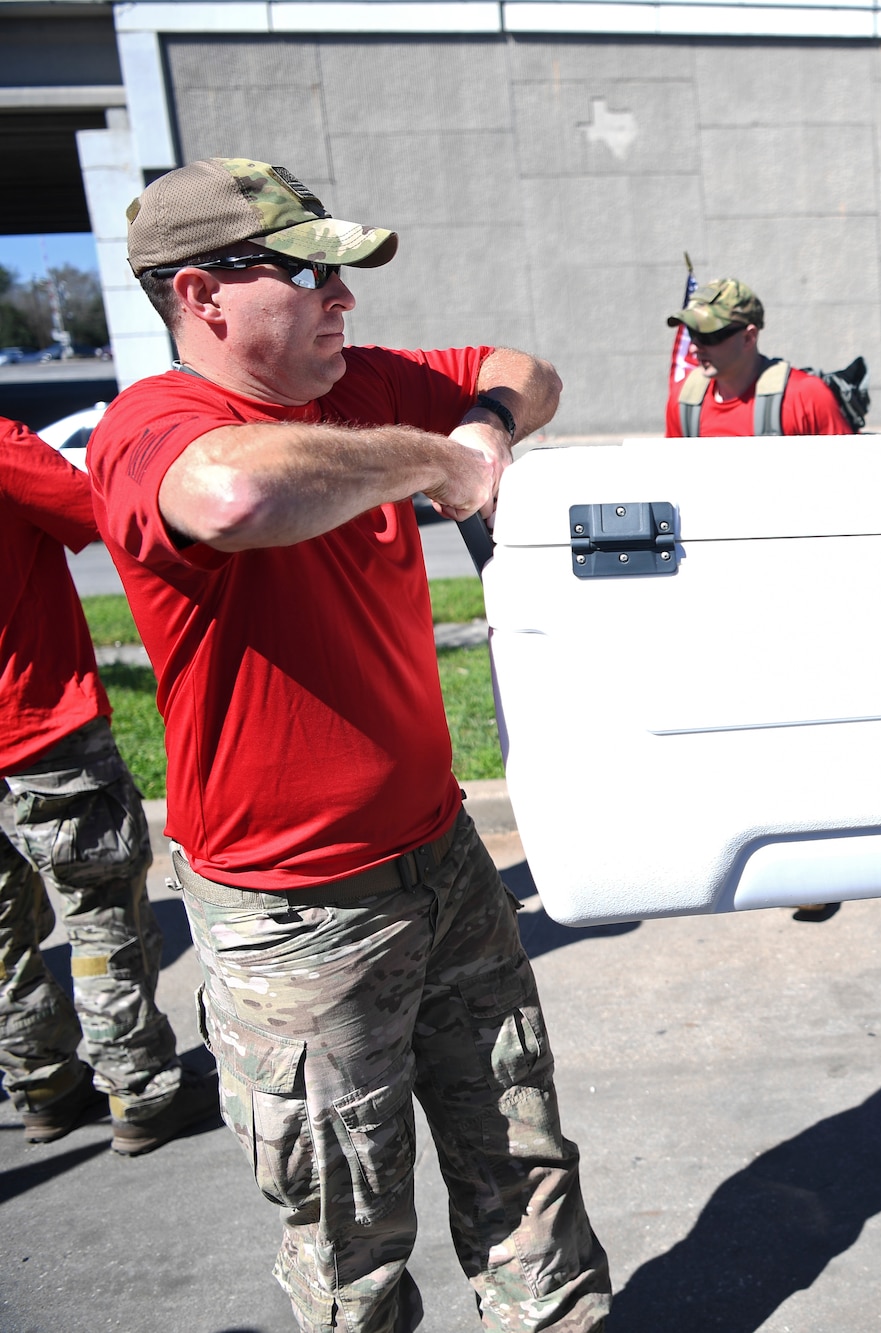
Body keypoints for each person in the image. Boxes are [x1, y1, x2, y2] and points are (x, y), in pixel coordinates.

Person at [90, 157, 611, 1331]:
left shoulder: (356, 383)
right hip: (295, 911)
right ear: (202, 295)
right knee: (349, 1234)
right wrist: (432, 458)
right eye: (309, 270)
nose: (343, 298)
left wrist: (477, 421)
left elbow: (527, 370)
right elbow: (231, 497)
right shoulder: (151, 426)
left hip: (440, 857)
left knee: (524, 1162)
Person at [0, 415, 218, 1155]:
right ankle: (140, 1087)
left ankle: (42, 1085)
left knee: (2, 936)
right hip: (37, 727)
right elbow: (95, 511)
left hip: (28, 731)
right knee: (100, 917)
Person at [665, 278, 855, 438]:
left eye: (709, 335)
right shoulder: (684, 400)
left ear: (749, 337)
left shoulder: (805, 397)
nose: (694, 347)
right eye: (691, 333)